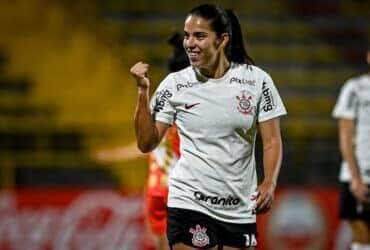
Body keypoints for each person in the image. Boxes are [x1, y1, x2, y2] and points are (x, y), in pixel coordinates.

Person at [130, 4, 287, 250]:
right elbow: (146, 143)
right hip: (188, 202)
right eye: (187, 35)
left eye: (200, 36)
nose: (190, 43)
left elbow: (272, 141)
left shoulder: (257, 81)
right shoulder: (175, 85)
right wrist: (142, 92)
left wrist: (270, 182)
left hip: (239, 207)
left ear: (222, 39)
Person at [97, 32, 188, 250]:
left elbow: (145, 143)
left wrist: (114, 154)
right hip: (182, 188)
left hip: (156, 187)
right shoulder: (196, 104)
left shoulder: (160, 97)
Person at [332, 45, 370, 250]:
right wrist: (355, 177)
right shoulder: (354, 88)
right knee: (361, 235)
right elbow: (346, 135)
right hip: (358, 175)